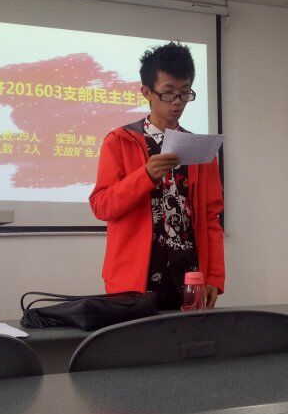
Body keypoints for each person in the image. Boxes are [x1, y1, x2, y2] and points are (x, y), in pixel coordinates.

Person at [89, 42, 225, 310]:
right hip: (134, 280)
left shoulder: (200, 149)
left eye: (184, 93)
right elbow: (102, 206)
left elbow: (212, 218)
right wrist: (146, 175)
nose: (177, 102)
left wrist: (214, 277)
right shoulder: (120, 141)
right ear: (146, 92)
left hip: (189, 277)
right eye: (168, 92)